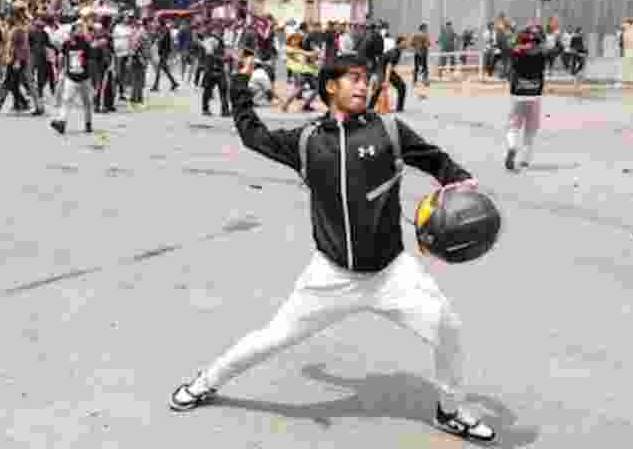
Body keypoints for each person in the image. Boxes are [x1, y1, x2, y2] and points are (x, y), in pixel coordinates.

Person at [168, 53, 496, 443]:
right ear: (330, 86)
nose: (363, 85)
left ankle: (450, 410)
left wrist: (459, 179)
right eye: (353, 78)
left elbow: (434, 160)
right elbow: (252, 135)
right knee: (273, 337)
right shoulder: (307, 141)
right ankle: (205, 382)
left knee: (448, 329)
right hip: (331, 276)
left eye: (366, 78)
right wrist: (239, 86)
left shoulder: (389, 130)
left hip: (392, 273)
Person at [505, 25, 560, 171]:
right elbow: (557, 49)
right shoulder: (543, 52)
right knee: (530, 129)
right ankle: (525, 159)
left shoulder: (517, 51)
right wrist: (555, 36)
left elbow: (508, 47)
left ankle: (512, 146)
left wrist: (515, 37)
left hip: (517, 94)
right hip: (535, 95)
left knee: (512, 127)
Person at [51, 18, 95, 135]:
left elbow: (91, 60)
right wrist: (60, 72)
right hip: (71, 77)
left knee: (87, 102)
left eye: (81, 29)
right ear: (72, 31)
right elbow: (63, 57)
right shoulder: (67, 44)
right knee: (66, 100)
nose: (79, 31)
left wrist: (92, 77)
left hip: (84, 78)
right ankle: (62, 122)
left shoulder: (86, 44)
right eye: (77, 29)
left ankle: (88, 123)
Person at [198, 26, 230, 117]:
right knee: (208, 90)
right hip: (210, 70)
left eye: (221, 30)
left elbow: (224, 53)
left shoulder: (221, 41)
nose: (220, 32)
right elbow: (209, 54)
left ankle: (225, 110)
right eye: (218, 30)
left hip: (219, 69)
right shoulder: (210, 41)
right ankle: (205, 109)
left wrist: (227, 58)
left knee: (223, 89)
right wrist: (222, 59)